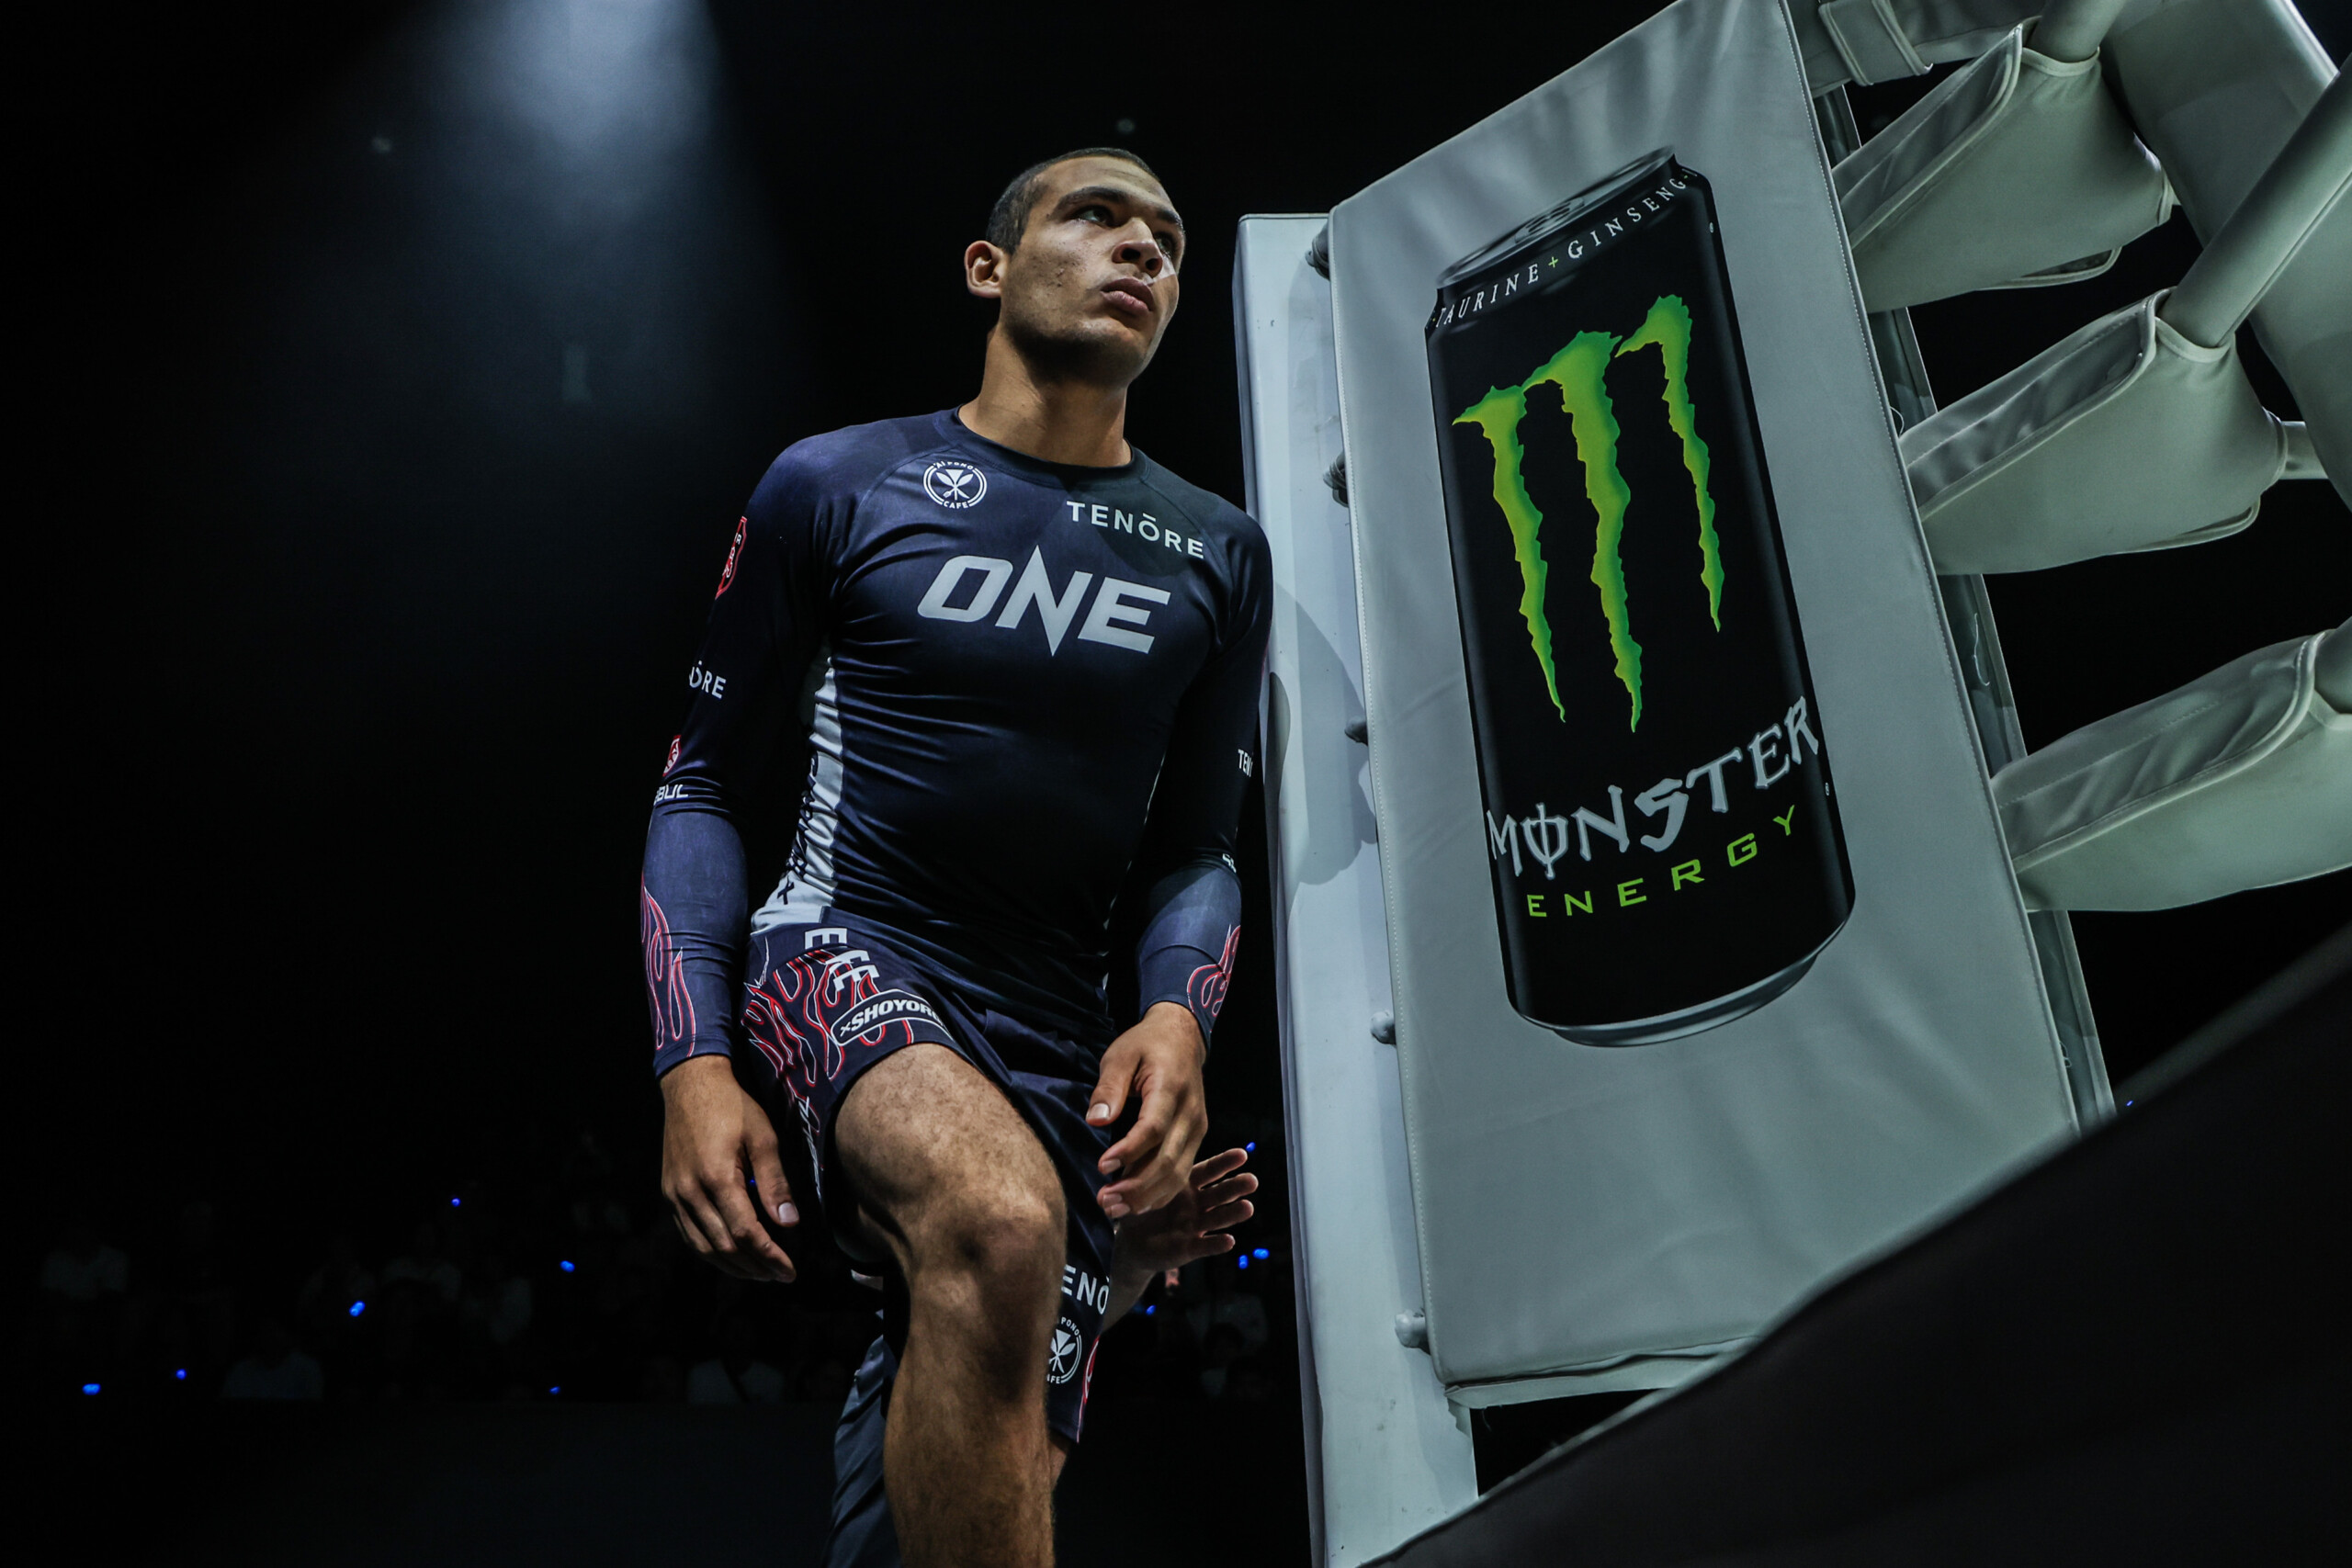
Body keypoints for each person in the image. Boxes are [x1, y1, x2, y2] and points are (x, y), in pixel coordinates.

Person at [640, 146, 1272, 1568]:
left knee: (997, 1448)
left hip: (1056, 1027)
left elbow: (1199, 846)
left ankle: (1078, 1268)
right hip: (845, 942)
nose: (1144, 252)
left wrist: (1175, 1012)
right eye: (1097, 217)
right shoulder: (837, 481)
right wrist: (692, 1065)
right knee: (995, 1220)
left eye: (1168, 240)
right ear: (990, 267)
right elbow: (698, 786)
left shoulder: (1218, 550)